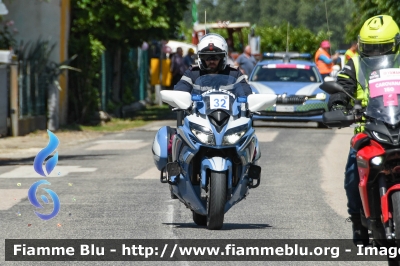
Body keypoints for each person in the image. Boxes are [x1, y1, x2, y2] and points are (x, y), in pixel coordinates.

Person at [328, 14, 400, 246]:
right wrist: (338, 104)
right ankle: (359, 223)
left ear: (395, 44)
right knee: (352, 177)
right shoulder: (355, 64)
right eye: (370, 48)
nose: (376, 53)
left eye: (382, 48)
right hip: (369, 132)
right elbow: (342, 87)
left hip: (397, 124)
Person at [174, 33, 252, 97]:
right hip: (197, 116)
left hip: (230, 116)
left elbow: (246, 94)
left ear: (223, 57)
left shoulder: (235, 73)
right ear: (200, 57)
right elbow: (180, 92)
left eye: (216, 57)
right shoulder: (192, 73)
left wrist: (249, 100)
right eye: (207, 57)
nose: (211, 61)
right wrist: (178, 99)